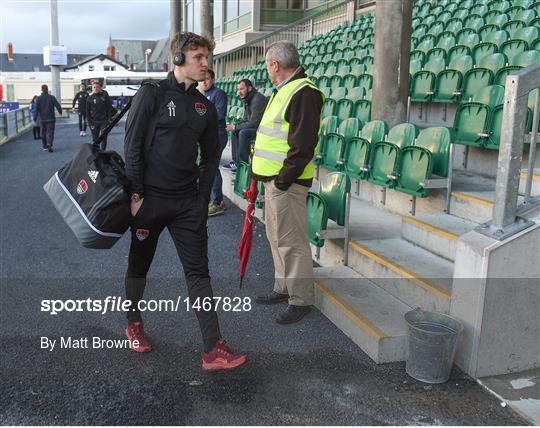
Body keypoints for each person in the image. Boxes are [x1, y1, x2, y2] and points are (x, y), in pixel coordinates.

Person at [123, 31, 246, 371]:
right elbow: (132, 145)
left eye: (208, 57)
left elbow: (210, 159)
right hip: (149, 201)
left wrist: (200, 200)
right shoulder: (151, 94)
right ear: (178, 58)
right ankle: (133, 322)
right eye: (199, 57)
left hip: (186, 205)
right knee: (139, 266)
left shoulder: (205, 108)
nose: (206, 63)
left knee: (198, 272)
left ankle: (212, 348)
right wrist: (136, 195)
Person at [251, 41, 324, 324]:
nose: (268, 71)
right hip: (275, 182)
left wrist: (282, 181)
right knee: (276, 237)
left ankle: (301, 298)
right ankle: (283, 287)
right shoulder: (284, 91)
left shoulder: (304, 93)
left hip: (287, 184)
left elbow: (303, 145)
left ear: (275, 65)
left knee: (291, 241)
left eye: (268, 66)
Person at [199, 69, 228, 217]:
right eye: (202, 79)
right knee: (208, 166)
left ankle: (218, 202)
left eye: (208, 79)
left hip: (219, 135)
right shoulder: (204, 96)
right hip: (209, 136)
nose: (204, 82)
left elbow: (220, 115)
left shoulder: (218, 94)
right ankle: (215, 199)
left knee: (212, 167)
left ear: (213, 80)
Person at [223, 79, 267, 172]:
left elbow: (253, 123)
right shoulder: (249, 99)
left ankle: (243, 164)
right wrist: (234, 125)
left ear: (250, 88)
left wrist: (235, 127)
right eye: (238, 89)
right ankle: (236, 162)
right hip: (256, 127)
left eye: (242, 89)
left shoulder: (257, 100)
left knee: (243, 133)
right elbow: (246, 119)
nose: (239, 92)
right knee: (236, 131)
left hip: (263, 130)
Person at [86, 80, 115, 150]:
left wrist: (109, 119)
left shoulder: (104, 96)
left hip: (104, 121)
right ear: (92, 89)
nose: (96, 88)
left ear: (100, 88)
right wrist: (89, 122)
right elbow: (87, 111)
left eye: (97, 87)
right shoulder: (89, 98)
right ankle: (96, 152)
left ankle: (103, 152)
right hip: (94, 121)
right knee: (95, 139)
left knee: (103, 137)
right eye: (94, 87)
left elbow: (109, 108)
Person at [33, 84, 62, 152]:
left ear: (41, 90)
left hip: (42, 119)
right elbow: (57, 105)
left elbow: (36, 109)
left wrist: (34, 118)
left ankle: (45, 146)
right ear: (47, 89)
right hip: (51, 118)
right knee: (50, 132)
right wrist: (60, 112)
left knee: (43, 133)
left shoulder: (38, 99)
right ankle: (49, 143)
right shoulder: (51, 97)